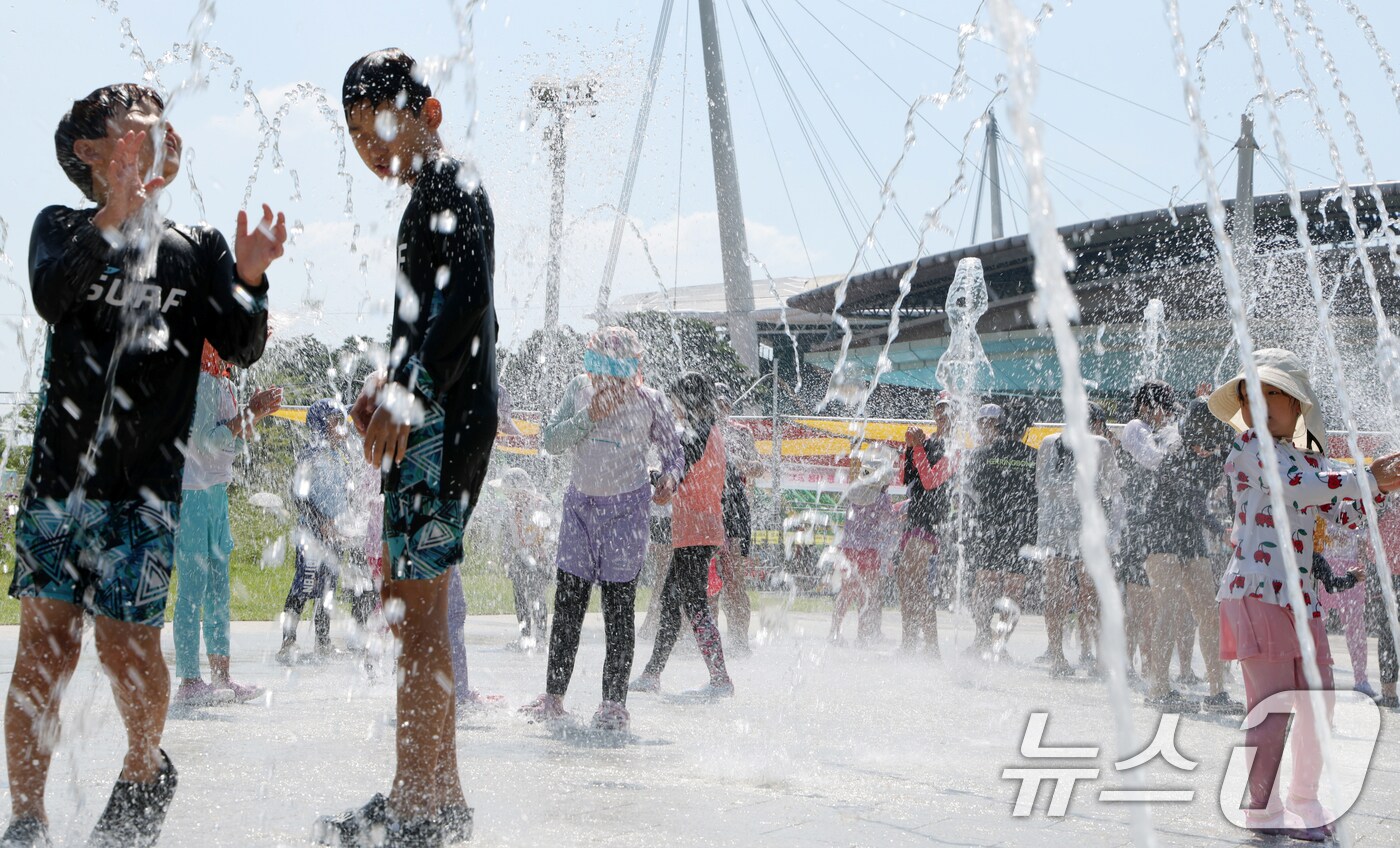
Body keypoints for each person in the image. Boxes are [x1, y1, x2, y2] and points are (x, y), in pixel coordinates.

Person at [3, 83, 282, 848]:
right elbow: (52, 296)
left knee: (127, 646)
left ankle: (142, 767)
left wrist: (251, 279)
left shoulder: (197, 248)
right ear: (90, 152)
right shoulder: (60, 228)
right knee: (46, 648)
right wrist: (117, 213)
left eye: (166, 123)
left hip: (146, 492)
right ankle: (26, 818)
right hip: (60, 485)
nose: (162, 132)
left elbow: (241, 345)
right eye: (137, 125)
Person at [318, 49, 497, 847]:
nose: (371, 149)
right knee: (412, 615)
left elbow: (466, 304)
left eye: (381, 127)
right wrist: (386, 382)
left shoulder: (451, 181)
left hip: (444, 426)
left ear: (428, 112)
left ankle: (418, 811)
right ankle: (435, 798)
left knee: (418, 624)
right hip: (438, 417)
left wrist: (409, 389)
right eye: (357, 137)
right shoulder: (430, 194)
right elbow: (431, 320)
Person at [1208, 349, 1400, 837]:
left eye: (1273, 392)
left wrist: (1382, 487)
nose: (1259, 403)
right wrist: (1364, 478)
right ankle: (1262, 807)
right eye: (1250, 395)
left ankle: (1304, 800)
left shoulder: (1310, 460)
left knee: (1319, 704)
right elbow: (1299, 486)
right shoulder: (1250, 447)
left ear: (1297, 404)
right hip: (1257, 590)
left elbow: (1345, 515)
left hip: (1302, 600)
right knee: (1271, 707)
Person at [519, 328, 683, 732]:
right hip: (580, 511)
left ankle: (613, 704)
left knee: (618, 609)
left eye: (616, 372)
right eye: (596, 367)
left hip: (626, 513)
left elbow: (674, 453)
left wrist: (669, 479)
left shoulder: (650, 401)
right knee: (568, 605)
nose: (605, 380)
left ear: (634, 370)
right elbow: (551, 440)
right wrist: (588, 416)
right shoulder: (579, 390)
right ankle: (554, 698)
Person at [172, 343, 281, 705]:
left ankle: (222, 677)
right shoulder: (202, 380)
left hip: (216, 490)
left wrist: (256, 413)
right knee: (193, 589)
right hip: (193, 494)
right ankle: (189, 681)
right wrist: (248, 413)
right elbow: (206, 443)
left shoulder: (223, 381)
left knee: (219, 589)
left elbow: (235, 435)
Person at [1135, 393, 1244, 714]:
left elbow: (1231, 493)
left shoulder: (1216, 453)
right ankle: (1158, 688)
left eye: (1209, 443)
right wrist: (1221, 530)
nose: (1204, 448)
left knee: (1208, 613)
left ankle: (1217, 691)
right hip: (1160, 534)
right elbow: (1192, 499)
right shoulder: (1175, 452)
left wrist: (1238, 523)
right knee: (1168, 610)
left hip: (1191, 537)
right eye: (1200, 442)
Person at [630, 372, 735, 698]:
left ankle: (720, 679)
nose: (672, 407)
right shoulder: (710, 430)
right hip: (698, 529)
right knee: (672, 602)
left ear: (688, 400)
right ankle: (652, 674)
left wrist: (648, 474)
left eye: (675, 400)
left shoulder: (697, 433)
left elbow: (674, 473)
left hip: (696, 531)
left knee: (694, 604)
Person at [1035, 402, 1115, 678]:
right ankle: (1096, 657)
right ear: (1096, 424)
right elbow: (1112, 487)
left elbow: (1041, 485)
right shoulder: (1101, 444)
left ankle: (1057, 657)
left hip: (1053, 527)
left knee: (1055, 591)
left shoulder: (1048, 442)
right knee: (1090, 592)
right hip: (1087, 528)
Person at [279, 399, 358, 664]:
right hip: (312, 533)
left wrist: (348, 519)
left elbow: (345, 492)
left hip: (335, 533)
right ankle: (288, 642)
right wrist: (321, 521)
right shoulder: (310, 454)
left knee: (328, 587)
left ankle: (322, 642)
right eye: (336, 422)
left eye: (342, 422)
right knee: (303, 584)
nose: (342, 428)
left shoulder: (339, 455)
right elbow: (298, 495)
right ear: (320, 425)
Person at [966, 402, 1038, 652]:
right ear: (1025, 429)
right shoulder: (1034, 457)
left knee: (984, 584)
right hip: (1021, 530)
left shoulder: (983, 454)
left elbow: (972, 490)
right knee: (1014, 591)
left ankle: (981, 638)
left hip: (989, 527)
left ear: (1000, 426)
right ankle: (999, 645)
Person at [898, 395, 952, 655]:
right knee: (905, 578)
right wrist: (908, 447)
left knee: (915, 580)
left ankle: (929, 645)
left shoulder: (955, 449)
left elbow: (930, 481)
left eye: (948, 409)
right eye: (939, 408)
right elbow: (903, 478)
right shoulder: (926, 441)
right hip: (915, 517)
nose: (942, 413)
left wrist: (917, 447)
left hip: (931, 520)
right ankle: (911, 641)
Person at [713, 383, 762, 655]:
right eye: (715, 403)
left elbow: (759, 467)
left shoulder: (741, 432)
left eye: (724, 404)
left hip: (735, 507)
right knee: (708, 580)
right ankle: (707, 641)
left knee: (735, 579)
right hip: (709, 505)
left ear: (730, 406)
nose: (720, 408)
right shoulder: (702, 431)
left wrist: (742, 463)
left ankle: (739, 640)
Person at [829, 457, 900, 646]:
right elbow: (888, 521)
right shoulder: (881, 497)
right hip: (869, 550)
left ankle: (834, 632)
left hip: (848, 548)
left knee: (846, 592)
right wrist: (899, 510)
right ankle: (861, 636)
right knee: (865, 594)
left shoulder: (854, 491)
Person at [500, 467, 553, 651]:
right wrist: (507, 556)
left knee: (537, 596)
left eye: (510, 490)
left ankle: (541, 638)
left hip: (538, 557)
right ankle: (525, 636)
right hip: (519, 558)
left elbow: (548, 531)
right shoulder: (511, 508)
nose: (508, 495)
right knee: (520, 598)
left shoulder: (539, 504)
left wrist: (542, 551)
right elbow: (509, 535)